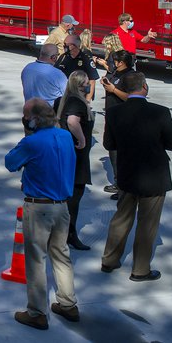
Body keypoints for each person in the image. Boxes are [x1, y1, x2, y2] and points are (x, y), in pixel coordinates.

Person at [4, 98, 79, 330]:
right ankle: (68, 303)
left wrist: (28, 135)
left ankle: (37, 312)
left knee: (36, 259)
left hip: (39, 207)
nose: (25, 120)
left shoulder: (32, 142)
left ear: (34, 119)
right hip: (62, 205)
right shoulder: (65, 136)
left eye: (26, 117)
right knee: (61, 254)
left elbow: (10, 162)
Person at [101, 72, 172, 281]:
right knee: (147, 224)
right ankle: (140, 269)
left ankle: (109, 259)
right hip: (154, 176)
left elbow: (109, 144)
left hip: (127, 173)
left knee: (121, 219)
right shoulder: (160, 112)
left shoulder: (114, 113)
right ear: (144, 87)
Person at [53, 70, 95, 251]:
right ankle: (68, 234)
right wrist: (82, 139)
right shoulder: (76, 102)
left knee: (63, 197)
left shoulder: (62, 100)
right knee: (74, 198)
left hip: (64, 154)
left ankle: (61, 232)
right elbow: (72, 121)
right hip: (76, 157)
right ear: (80, 85)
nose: (89, 86)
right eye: (86, 83)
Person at [99, 49, 134, 199]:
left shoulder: (131, 76)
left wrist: (113, 90)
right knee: (112, 150)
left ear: (122, 62)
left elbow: (132, 97)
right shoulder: (115, 73)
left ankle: (124, 187)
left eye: (115, 61)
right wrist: (106, 83)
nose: (113, 63)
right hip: (111, 117)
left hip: (124, 119)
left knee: (123, 154)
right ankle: (118, 182)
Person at [54, 34, 99, 102]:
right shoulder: (63, 57)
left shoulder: (86, 59)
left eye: (66, 44)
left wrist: (87, 101)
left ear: (73, 46)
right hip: (63, 96)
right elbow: (55, 73)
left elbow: (92, 81)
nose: (64, 46)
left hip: (80, 97)